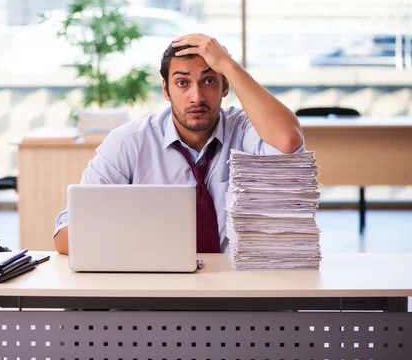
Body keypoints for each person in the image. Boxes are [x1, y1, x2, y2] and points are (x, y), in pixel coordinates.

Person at [53, 33, 304, 255]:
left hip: (238, 285)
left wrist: (228, 65)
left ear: (225, 86)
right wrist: (136, 236)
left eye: (209, 81)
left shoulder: (245, 130)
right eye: (182, 83)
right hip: (154, 288)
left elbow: (287, 141)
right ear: (166, 90)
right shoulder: (129, 142)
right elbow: (65, 235)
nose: (196, 97)